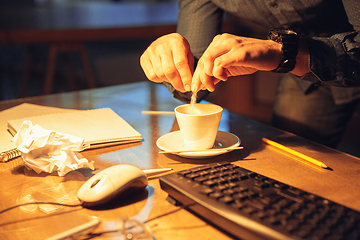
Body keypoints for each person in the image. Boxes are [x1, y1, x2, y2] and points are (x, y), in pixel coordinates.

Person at [140, 0, 360, 148]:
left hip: (313, 54)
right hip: (300, 68)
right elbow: (193, 79)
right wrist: (168, 60)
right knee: (292, 169)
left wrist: (284, 52)